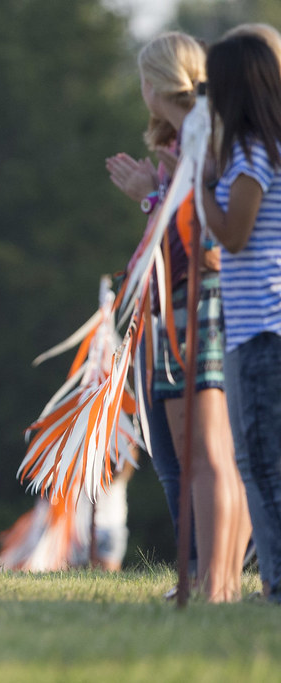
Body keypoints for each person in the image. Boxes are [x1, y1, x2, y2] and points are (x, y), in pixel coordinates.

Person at [109, 32, 249, 602]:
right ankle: (218, 580)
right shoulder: (201, 131)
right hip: (193, 296)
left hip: (196, 296)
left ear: (153, 83)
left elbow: (197, 226)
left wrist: (151, 196)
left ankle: (211, 582)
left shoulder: (203, 133)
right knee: (209, 455)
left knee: (204, 454)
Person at [201, 31, 281, 603]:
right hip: (256, 325)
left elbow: (233, 235)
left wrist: (201, 185)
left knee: (261, 460)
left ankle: (277, 581)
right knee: (257, 459)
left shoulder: (253, 154)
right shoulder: (261, 149)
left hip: (262, 329)